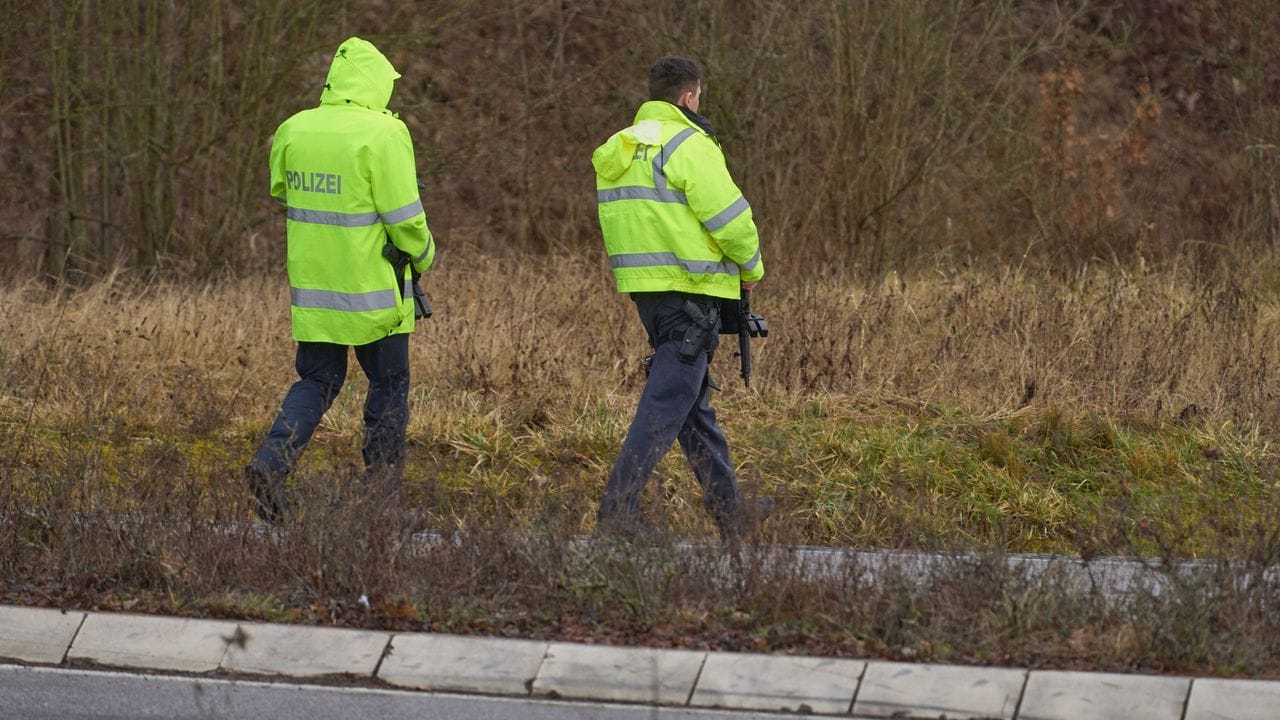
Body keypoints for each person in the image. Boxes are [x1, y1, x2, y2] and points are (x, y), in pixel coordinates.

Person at [244, 37, 436, 523]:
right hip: (376, 291)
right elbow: (405, 218)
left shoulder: (294, 127)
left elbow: (280, 188)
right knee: (389, 384)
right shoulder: (385, 134)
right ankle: (380, 498)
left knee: (317, 379)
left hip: (315, 289)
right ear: (374, 83)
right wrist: (424, 255)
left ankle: (271, 463)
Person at [592, 55, 770, 541]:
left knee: (692, 407)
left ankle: (732, 512)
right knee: (668, 400)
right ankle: (618, 514)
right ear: (689, 97)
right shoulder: (689, 144)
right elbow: (731, 219)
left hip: (649, 294)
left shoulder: (620, 148)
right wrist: (751, 269)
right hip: (692, 294)